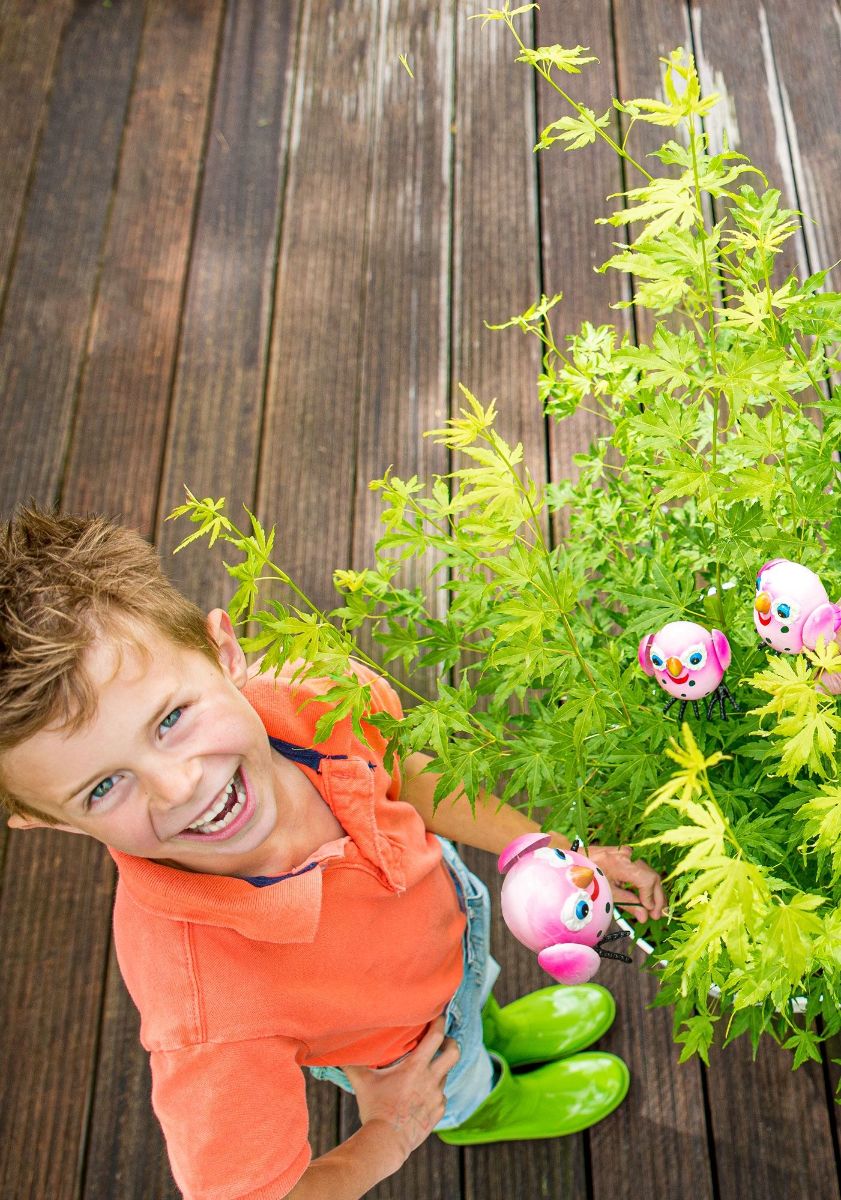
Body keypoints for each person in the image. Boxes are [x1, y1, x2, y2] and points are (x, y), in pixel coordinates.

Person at [0, 507, 666, 1200]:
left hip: (447, 929)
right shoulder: (205, 1015)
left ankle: (488, 1027)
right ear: (49, 820)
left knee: (476, 991)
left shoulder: (315, 694)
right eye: (103, 786)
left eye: (171, 719)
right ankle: (485, 1106)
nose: (179, 787)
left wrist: (555, 853)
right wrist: (391, 1132)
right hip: (400, 1048)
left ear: (224, 653)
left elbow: (406, 773)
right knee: (454, 1076)